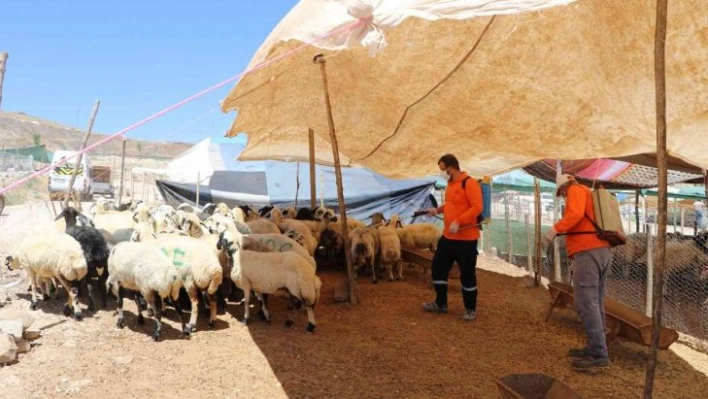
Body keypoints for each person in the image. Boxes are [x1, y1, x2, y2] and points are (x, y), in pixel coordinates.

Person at [542, 174, 612, 370]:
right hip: (600, 250)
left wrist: (555, 229)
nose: (564, 196)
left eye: (562, 193)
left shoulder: (575, 190)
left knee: (585, 303)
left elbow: (574, 214)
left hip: (588, 251)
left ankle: (599, 352)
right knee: (595, 302)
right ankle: (595, 347)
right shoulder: (586, 192)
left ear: (564, 187)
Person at [421, 154, 483, 321]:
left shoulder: (469, 183)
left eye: (443, 169)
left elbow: (477, 207)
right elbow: (452, 205)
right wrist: (437, 210)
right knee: (438, 267)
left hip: (467, 240)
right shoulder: (450, 185)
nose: (442, 173)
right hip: (448, 237)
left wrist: (459, 221)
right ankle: (441, 304)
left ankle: (470, 309)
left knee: (467, 274)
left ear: (451, 167)